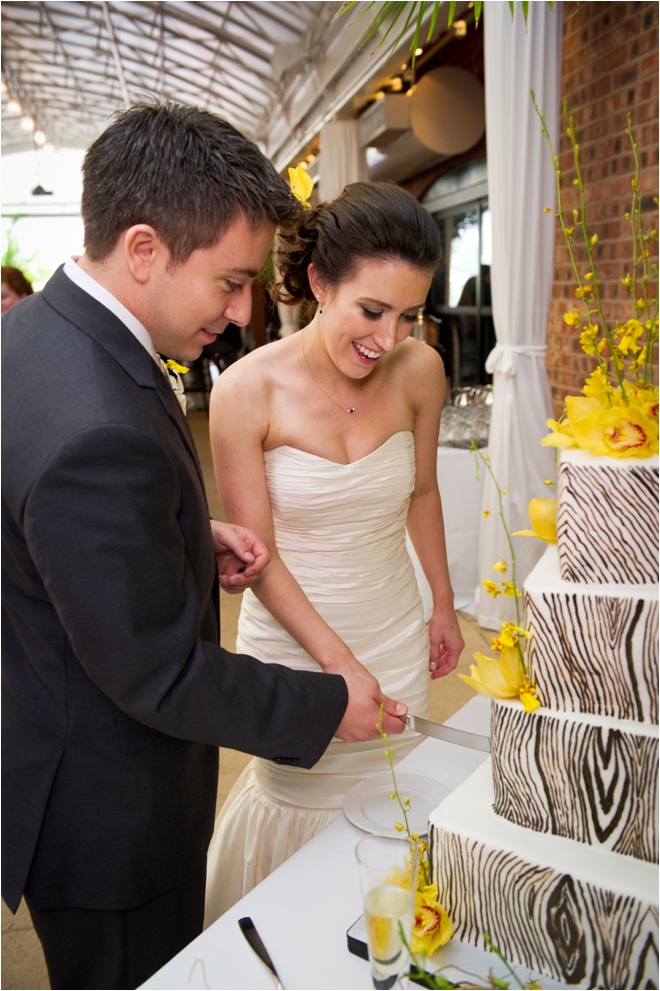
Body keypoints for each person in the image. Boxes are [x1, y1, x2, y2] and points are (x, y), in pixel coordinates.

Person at [1, 105, 408, 991]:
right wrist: (324, 703)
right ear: (144, 249)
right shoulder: (92, 426)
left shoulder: (33, 335)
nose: (241, 311)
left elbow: (40, 531)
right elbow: (156, 674)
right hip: (108, 819)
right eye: (228, 282)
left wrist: (181, 534)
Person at [204, 181, 465, 923]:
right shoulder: (246, 391)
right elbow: (259, 557)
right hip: (294, 646)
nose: (389, 337)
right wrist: (338, 667)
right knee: (300, 807)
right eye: (372, 310)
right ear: (320, 283)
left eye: (409, 314)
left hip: (391, 628)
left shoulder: (421, 372)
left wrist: (442, 603)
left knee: (391, 801)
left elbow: (422, 494)